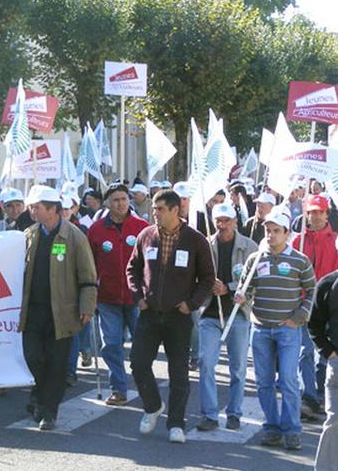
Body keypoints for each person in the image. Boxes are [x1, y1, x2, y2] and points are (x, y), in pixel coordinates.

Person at [126, 189, 215, 444]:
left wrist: (192, 304)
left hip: (178, 316)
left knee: (179, 373)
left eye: (160, 209)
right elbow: (132, 268)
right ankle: (152, 406)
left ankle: (176, 423)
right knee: (138, 363)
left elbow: (208, 277)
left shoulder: (196, 240)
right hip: (149, 313)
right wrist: (138, 296)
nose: (155, 213)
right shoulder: (146, 235)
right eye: (154, 208)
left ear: (176, 210)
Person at [19, 185, 97, 430]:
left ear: (53, 210)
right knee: (33, 357)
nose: (32, 211)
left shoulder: (74, 236)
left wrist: (87, 306)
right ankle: (38, 395)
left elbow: (87, 277)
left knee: (56, 363)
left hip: (62, 312)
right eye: (32, 207)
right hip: (33, 311)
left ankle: (48, 410)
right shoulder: (29, 235)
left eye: (37, 207)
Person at [236, 210, 315, 450]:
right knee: (264, 382)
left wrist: (300, 317)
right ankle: (272, 427)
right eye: (267, 230)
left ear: (286, 234)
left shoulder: (300, 260)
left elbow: (311, 291)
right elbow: (245, 288)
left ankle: (292, 430)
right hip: (260, 329)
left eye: (276, 231)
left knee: (289, 380)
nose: (270, 235)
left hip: (288, 330)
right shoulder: (255, 259)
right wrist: (242, 296)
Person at [195, 203, 257, 431]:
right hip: (210, 313)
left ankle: (234, 413)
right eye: (218, 221)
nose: (222, 225)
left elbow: (254, 282)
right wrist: (208, 285)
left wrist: (229, 288)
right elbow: (195, 277)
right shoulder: (205, 245)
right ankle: (210, 414)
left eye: (226, 220)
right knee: (206, 364)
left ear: (235, 221)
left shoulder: (249, 247)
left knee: (238, 368)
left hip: (237, 314)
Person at [87, 184, 149, 406]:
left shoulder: (143, 227)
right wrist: (90, 294)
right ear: (106, 203)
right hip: (107, 298)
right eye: (115, 200)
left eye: (124, 199)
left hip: (137, 299)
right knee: (111, 344)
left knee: (142, 346)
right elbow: (89, 266)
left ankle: (146, 386)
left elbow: (151, 264)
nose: (120, 203)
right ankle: (118, 389)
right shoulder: (95, 230)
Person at [291, 194, 338, 420]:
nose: (316, 216)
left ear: (327, 213)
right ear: (306, 215)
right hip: (304, 303)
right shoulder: (297, 241)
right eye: (311, 212)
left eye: (320, 211)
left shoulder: (336, 240)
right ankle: (309, 397)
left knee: (325, 353)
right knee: (305, 352)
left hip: (330, 305)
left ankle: (321, 394)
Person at [307, 266, 338, 471]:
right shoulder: (327, 284)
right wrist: (330, 354)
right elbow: (314, 325)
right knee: (334, 421)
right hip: (337, 364)